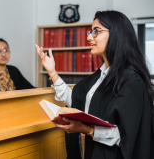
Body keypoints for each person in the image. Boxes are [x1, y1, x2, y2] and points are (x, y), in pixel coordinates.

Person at [36, 10, 154, 159]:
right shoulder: (98, 76)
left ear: (117, 34)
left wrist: (87, 128)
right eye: (90, 32)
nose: (89, 37)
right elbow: (77, 102)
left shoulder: (131, 80)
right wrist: (52, 73)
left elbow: (127, 137)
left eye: (96, 32)